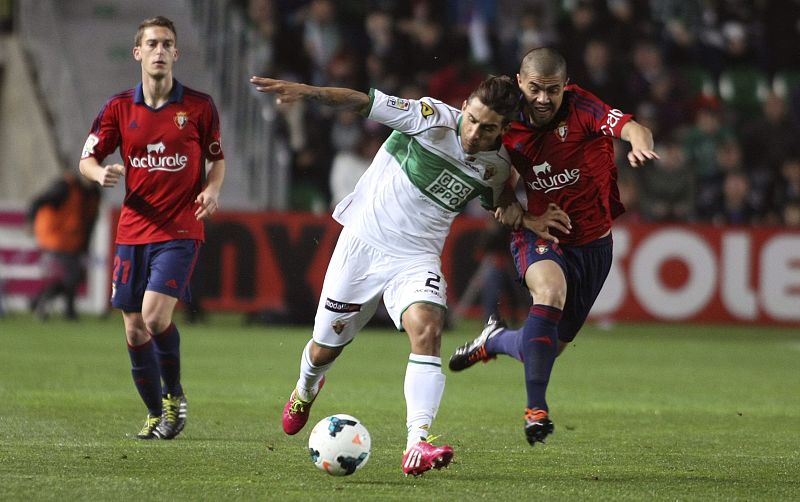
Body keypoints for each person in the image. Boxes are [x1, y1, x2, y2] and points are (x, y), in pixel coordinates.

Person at [250, 73, 520, 476]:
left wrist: (522, 213)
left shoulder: (497, 166)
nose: (475, 133)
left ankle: (417, 444)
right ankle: (306, 388)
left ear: (504, 130)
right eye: (473, 120)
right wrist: (309, 93)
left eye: (488, 129)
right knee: (324, 348)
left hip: (416, 259)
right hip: (362, 246)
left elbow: (502, 202)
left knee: (428, 329)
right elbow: (362, 101)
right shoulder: (430, 118)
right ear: (465, 106)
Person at [449, 47, 658, 447]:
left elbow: (633, 128)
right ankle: (536, 410)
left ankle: (493, 341)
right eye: (535, 89)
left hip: (595, 245)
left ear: (565, 87)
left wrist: (638, 144)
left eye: (552, 90)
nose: (543, 99)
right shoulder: (504, 124)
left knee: (543, 348)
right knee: (550, 292)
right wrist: (523, 218)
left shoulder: (583, 108)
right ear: (520, 83)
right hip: (542, 234)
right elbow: (499, 198)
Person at [78, 16, 226, 440]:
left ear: (176, 54)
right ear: (137, 53)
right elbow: (86, 157)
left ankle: (174, 397)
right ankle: (154, 412)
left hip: (180, 228)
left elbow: (217, 158)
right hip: (132, 230)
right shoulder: (119, 108)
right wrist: (97, 173)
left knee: (155, 315)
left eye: (167, 44)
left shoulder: (198, 107)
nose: (159, 51)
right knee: (132, 326)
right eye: (152, 44)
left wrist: (212, 190)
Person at [28, 170, 101, 320]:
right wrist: (30, 222)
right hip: (56, 239)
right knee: (71, 276)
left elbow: (89, 222)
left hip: (75, 242)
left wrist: (85, 246)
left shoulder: (94, 194)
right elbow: (38, 201)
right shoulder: (65, 187)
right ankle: (68, 311)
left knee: (75, 277)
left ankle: (39, 300)